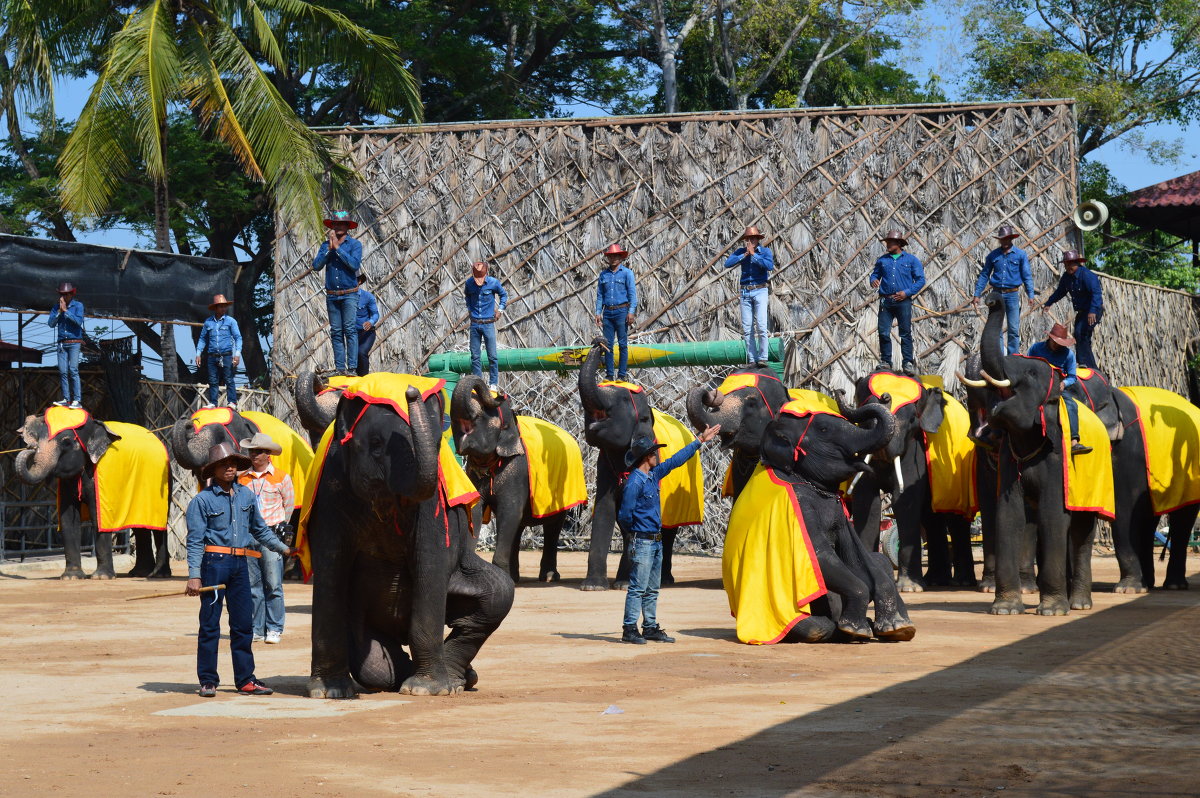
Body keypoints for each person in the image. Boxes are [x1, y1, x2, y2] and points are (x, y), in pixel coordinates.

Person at [185, 442, 297, 697]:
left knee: (243, 625)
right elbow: (194, 541)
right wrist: (194, 575)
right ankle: (208, 681)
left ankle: (245, 679)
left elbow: (259, 529)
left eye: (233, 464)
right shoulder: (201, 501)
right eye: (224, 464)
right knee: (210, 625)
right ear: (213, 470)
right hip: (214, 564)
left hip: (240, 566)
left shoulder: (246, 495)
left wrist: (283, 548)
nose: (230, 468)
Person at [617, 424, 721, 645]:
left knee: (652, 587)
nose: (657, 455)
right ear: (646, 457)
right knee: (637, 587)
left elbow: (676, 460)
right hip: (643, 541)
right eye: (654, 452)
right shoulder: (634, 483)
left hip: (656, 541)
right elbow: (625, 515)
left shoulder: (653, 475)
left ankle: (650, 627)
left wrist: (700, 441)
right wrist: (635, 534)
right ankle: (629, 629)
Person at [237, 433, 295, 645]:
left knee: (273, 584)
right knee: (253, 585)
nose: (253, 455)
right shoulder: (242, 478)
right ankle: (257, 628)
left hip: (272, 534)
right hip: (249, 536)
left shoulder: (282, 477)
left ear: (268, 454)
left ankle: (274, 628)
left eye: (258, 451)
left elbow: (288, 507)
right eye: (252, 451)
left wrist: (277, 530)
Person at [311, 209, 363, 374]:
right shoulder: (325, 246)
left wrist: (338, 249)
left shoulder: (355, 245)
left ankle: (352, 368)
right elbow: (316, 265)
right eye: (336, 224)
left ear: (347, 227)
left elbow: (354, 264)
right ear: (332, 226)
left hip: (350, 294)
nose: (339, 226)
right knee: (336, 332)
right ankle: (340, 368)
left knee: (350, 329)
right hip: (332, 295)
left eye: (342, 224)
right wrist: (329, 248)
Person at [1028, 324, 1092, 456]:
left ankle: (1074, 441)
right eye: (1056, 342)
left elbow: (1072, 376)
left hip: (1058, 387)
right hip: (1037, 385)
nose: (1057, 345)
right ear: (1050, 338)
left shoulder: (1068, 355)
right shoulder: (1036, 348)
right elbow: (1028, 365)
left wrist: (1064, 383)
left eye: (1060, 343)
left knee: (1071, 405)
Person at [972, 224, 1036, 355]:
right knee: (997, 328)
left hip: (1012, 294)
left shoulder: (1020, 255)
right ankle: (999, 357)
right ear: (999, 240)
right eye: (1002, 239)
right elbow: (984, 274)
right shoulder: (993, 256)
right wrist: (977, 294)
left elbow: (1026, 275)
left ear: (1011, 239)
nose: (1005, 241)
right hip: (996, 294)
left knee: (1013, 328)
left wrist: (1030, 294)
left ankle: (1013, 358)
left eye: (1007, 239)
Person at [870, 230, 926, 375]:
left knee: (905, 332)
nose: (887, 244)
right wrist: (873, 280)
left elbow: (920, 280)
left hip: (903, 302)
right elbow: (875, 274)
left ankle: (907, 362)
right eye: (887, 242)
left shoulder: (911, 260)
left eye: (890, 242)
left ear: (899, 244)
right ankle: (886, 361)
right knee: (883, 332)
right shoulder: (882, 260)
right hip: (886, 301)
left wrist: (906, 293)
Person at [1042, 250, 1103, 369]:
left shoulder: (1087, 275)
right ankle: (1088, 365)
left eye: (1070, 264)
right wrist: (1049, 303)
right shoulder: (1066, 277)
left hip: (1093, 310)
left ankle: (1086, 364)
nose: (1068, 267)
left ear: (1077, 263)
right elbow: (1060, 292)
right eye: (1066, 264)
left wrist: (1092, 311)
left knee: (1082, 333)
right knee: (1080, 335)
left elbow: (1096, 293)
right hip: (1081, 311)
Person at [724, 226, 775, 366]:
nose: (750, 241)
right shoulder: (741, 252)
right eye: (748, 239)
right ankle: (752, 359)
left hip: (760, 290)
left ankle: (763, 358)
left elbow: (769, 266)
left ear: (758, 239)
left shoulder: (765, 251)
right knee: (747, 328)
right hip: (745, 291)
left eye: (753, 238)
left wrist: (754, 255)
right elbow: (727, 263)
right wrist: (744, 255)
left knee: (761, 325)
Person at [593, 243, 637, 381]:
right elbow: (600, 295)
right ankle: (610, 375)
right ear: (608, 258)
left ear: (620, 257)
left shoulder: (627, 273)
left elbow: (632, 295)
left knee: (623, 344)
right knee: (608, 345)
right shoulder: (603, 275)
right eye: (611, 256)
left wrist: (631, 312)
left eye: (616, 256)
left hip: (622, 312)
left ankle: (622, 375)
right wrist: (598, 312)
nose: (613, 258)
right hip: (608, 313)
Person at [464, 260, 508, 392]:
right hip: (475, 324)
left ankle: (493, 383)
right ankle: (478, 382)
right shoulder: (469, 283)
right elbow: (467, 296)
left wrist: (500, 310)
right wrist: (470, 310)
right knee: (475, 356)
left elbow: (503, 295)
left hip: (488, 323)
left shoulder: (493, 283)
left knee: (492, 356)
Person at [194, 294, 242, 410]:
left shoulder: (231, 321)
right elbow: (202, 339)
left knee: (228, 378)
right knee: (212, 379)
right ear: (215, 308)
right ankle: (213, 402)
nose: (223, 309)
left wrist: (237, 354)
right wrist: (198, 354)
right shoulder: (208, 322)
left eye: (225, 306)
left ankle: (232, 402)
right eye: (221, 306)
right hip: (212, 355)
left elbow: (238, 338)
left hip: (226, 355)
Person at [47, 282, 85, 409]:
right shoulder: (56, 307)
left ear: (71, 294)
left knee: (73, 370)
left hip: (74, 343)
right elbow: (51, 324)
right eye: (61, 294)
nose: (63, 296)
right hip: (62, 344)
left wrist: (66, 312)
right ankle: (66, 399)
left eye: (65, 294)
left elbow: (79, 322)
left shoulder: (78, 306)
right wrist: (59, 311)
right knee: (63, 372)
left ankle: (77, 400)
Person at [355, 271, 380, 377]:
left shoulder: (368, 297)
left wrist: (370, 322)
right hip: (352, 333)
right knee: (353, 356)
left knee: (361, 352)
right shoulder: (344, 298)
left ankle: (364, 379)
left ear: (359, 281)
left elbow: (375, 314)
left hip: (367, 333)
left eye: (354, 280)